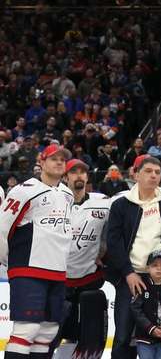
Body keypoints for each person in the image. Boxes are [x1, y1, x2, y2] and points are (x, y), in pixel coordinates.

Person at [0, 144, 74, 359]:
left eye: (63, 159)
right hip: (28, 269)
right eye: (54, 158)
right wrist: (7, 261)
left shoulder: (67, 194)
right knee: (26, 330)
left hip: (57, 270)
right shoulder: (24, 191)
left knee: (47, 332)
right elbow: (3, 227)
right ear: (41, 162)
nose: (60, 162)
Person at [106, 155, 161, 359]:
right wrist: (128, 273)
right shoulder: (121, 204)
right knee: (123, 335)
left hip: (160, 278)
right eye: (148, 171)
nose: (154, 176)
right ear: (136, 173)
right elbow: (114, 244)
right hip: (130, 278)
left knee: (158, 336)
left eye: (157, 172)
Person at [55, 158, 111, 359]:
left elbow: (116, 229)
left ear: (87, 177)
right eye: (73, 172)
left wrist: (105, 250)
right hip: (60, 280)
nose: (79, 175)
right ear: (65, 177)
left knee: (88, 336)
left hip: (89, 279)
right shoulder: (56, 201)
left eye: (82, 172)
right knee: (60, 334)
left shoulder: (103, 202)